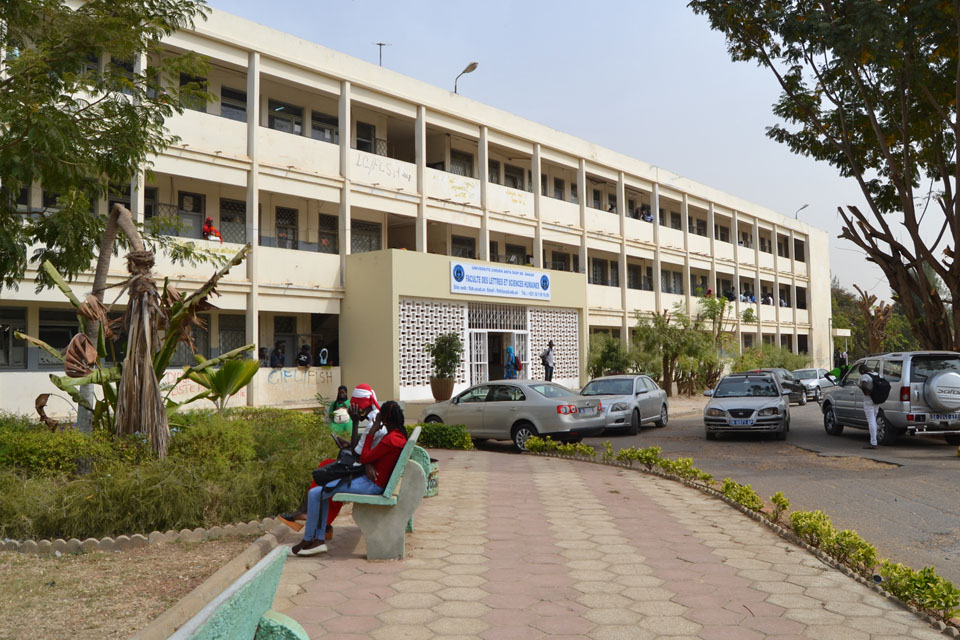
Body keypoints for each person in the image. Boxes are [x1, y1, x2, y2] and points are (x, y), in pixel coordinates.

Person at [290, 400, 408, 556]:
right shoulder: (398, 436)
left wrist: (372, 432)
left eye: (380, 416)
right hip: (374, 481)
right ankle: (316, 539)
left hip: (372, 485)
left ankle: (311, 539)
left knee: (315, 493)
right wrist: (369, 462)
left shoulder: (390, 439)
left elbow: (364, 457)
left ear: (385, 419)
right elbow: (372, 458)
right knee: (319, 493)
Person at [278, 384, 382, 534]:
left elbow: (357, 454)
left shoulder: (372, 423)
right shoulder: (375, 417)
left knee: (328, 472)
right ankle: (322, 522)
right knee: (327, 466)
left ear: (362, 408)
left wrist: (355, 423)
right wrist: (348, 446)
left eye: (355, 408)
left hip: (369, 472)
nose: (354, 412)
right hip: (368, 465)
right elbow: (361, 449)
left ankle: (308, 514)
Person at [858, 363, 880, 449]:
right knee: (874, 419)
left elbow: (864, 386)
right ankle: (875, 439)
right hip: (876, 400)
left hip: (868, 401)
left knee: (871, 421)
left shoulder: (865, 376)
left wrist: (866, 391)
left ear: (862, 371)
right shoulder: (876, 374)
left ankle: (873, 442)